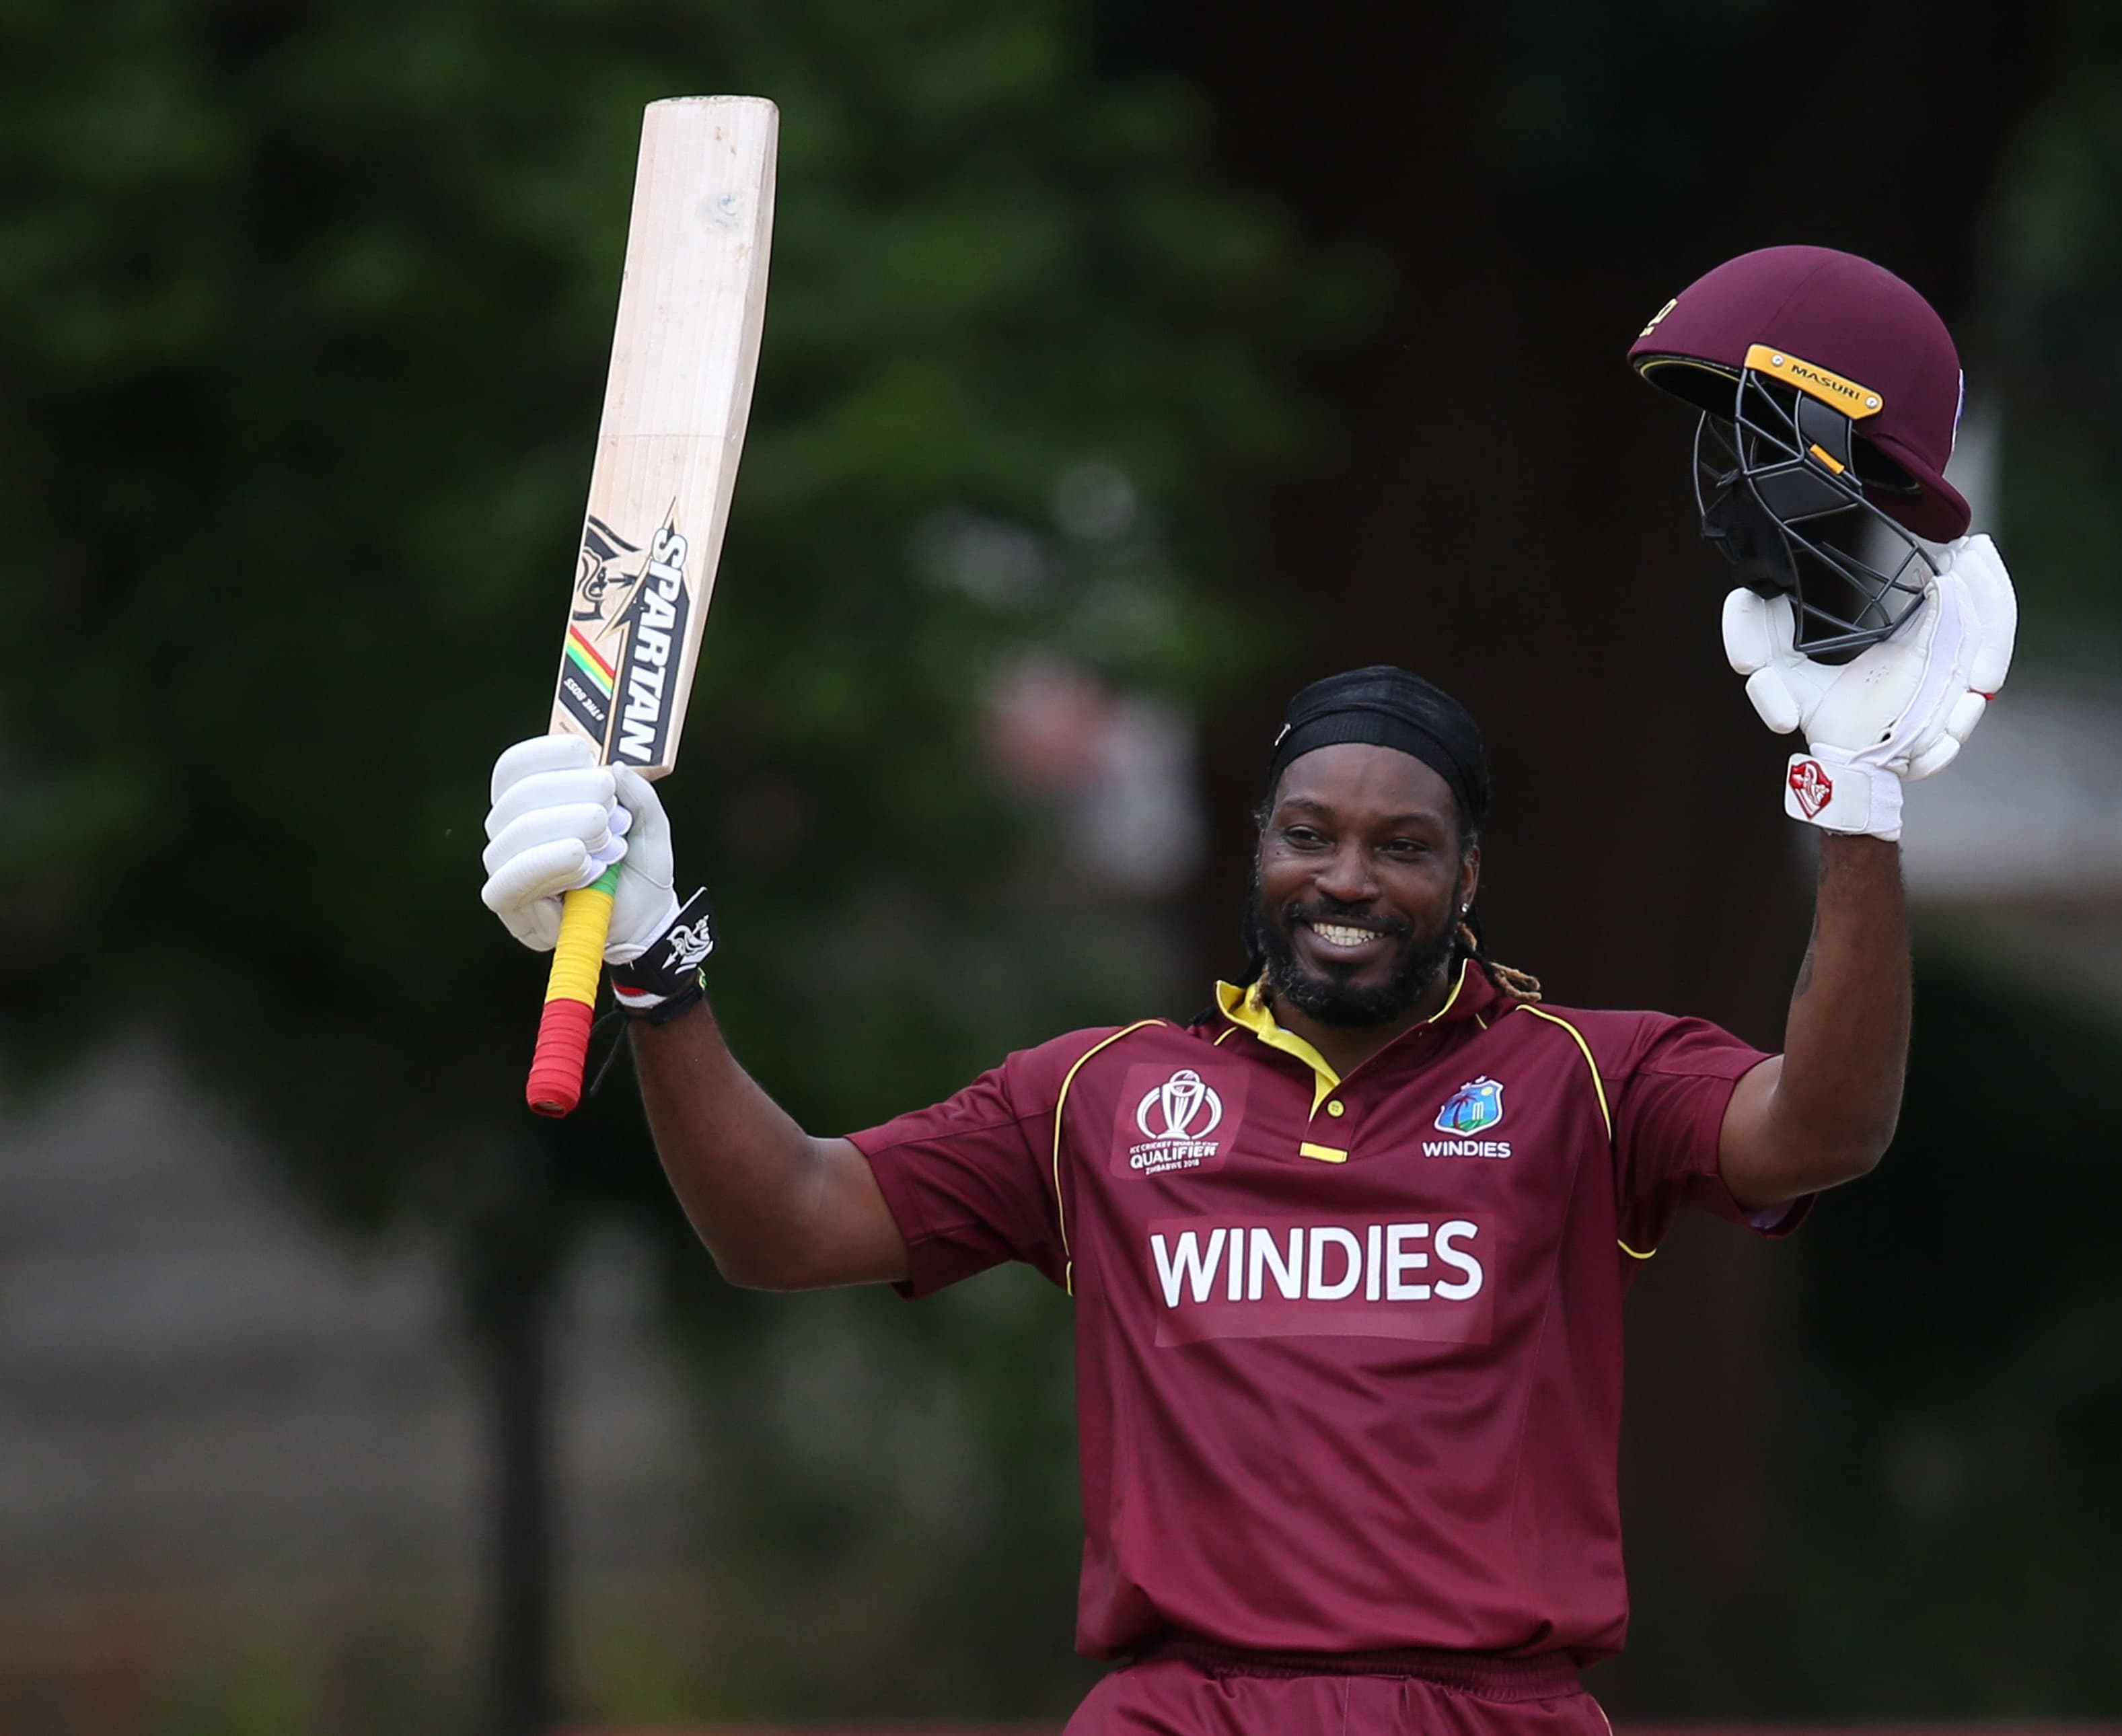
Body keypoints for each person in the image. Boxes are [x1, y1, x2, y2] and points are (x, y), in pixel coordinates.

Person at [476, 244, 2016, 1734]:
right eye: (1311, 835)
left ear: (1468, 877)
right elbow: (786, 1224)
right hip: (1180, 1710)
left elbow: (1823, 1129)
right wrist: (658, 970)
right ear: (1258, 850)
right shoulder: (1100, 1098)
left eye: (1402, 846)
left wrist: (1857, 813)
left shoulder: (1585, 1080)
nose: (1348, 879)